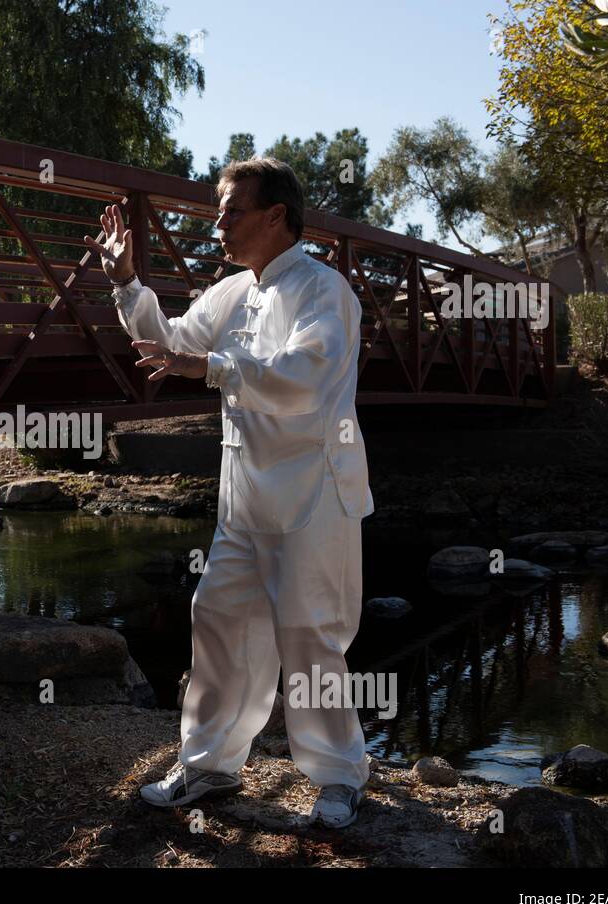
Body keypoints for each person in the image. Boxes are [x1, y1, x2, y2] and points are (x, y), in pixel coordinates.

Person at [84, 156, 376, 828]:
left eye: (231, 208)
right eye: (218, 208)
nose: (218, 221)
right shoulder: (231, 291)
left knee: (310, 637)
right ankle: (211, 766)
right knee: (217, 622)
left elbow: (306, 372)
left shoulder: (323, 290)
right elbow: (170, 342)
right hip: (245, 500)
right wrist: (127, 282)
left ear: (277, 216)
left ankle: (337, 778)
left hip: (314, 495)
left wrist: (211, 366)